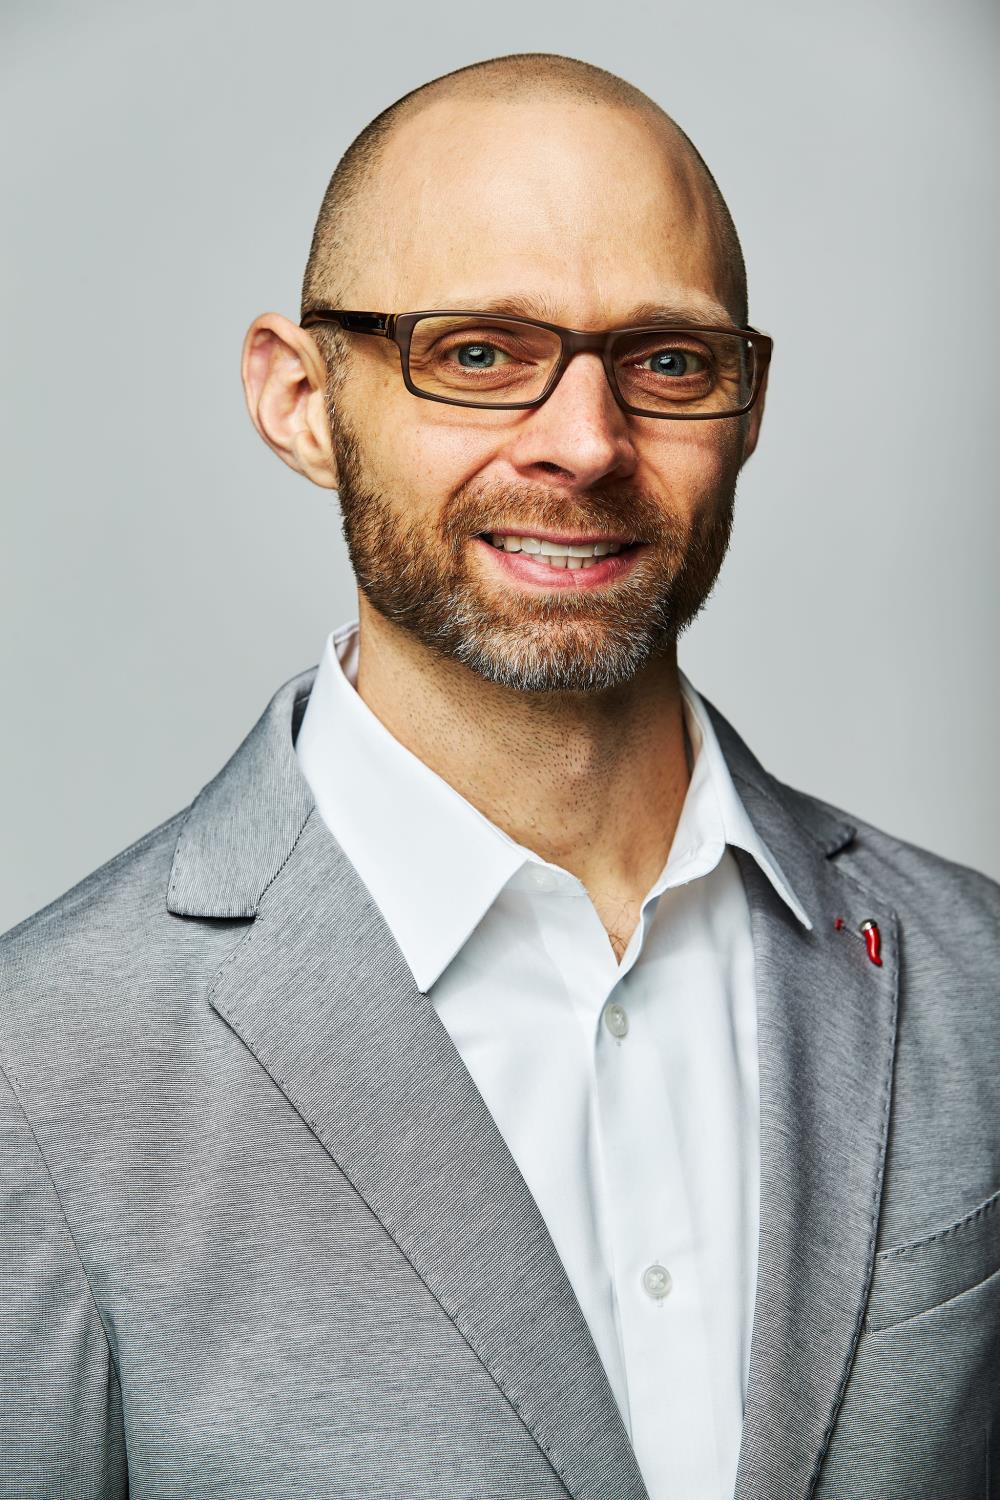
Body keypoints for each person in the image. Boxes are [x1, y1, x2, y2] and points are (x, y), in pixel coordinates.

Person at [0, 50, 997, 1500]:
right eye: (477, 354)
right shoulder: (38, 1070)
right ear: (301, 400)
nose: (584, 445)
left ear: (747, 405)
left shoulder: (976, 974)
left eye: (668, 361)